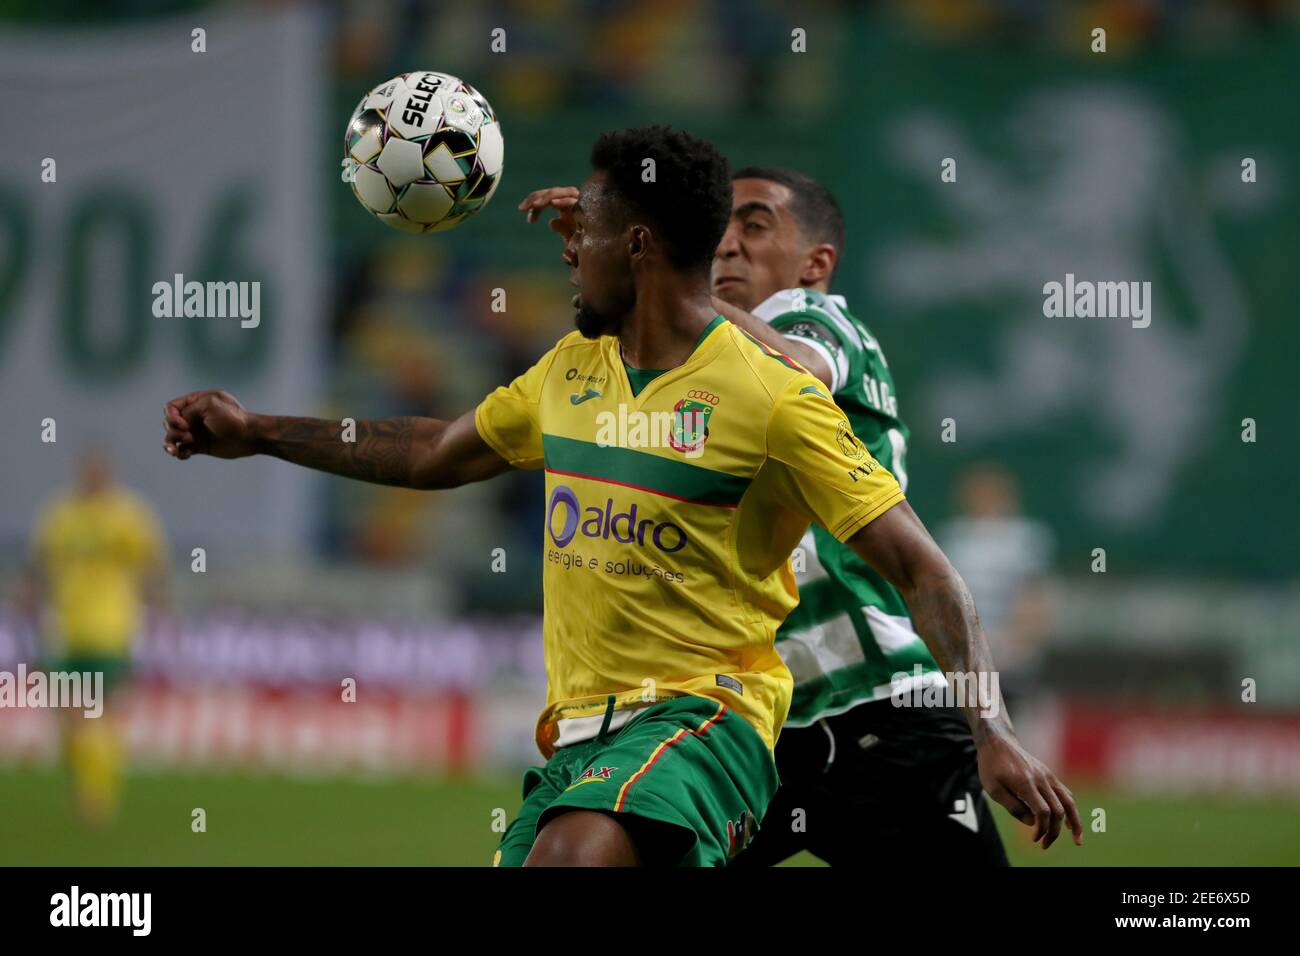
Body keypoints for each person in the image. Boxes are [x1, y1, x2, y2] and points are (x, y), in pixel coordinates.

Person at [166, 126, 1079, 866]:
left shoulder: (793, 347)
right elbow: (433, 451)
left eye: (756, 226)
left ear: (816, 260)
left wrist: (990, 727)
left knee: (579, 858)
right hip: (679, 731)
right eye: (720, 228)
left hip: (838, 717)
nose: (731, 242)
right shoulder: (576, 367)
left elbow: (815, 400)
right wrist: (261, 434)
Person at [23, 450, 168, 825]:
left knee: (98, 711)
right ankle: (90, 782)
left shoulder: (128, 515)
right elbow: (39, 566)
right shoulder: (60, 514)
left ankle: (96, 796)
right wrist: (29, 601)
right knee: (68, 716)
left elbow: (150, 567)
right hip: (65, 629)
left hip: (110, 628)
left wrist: (159, 612)